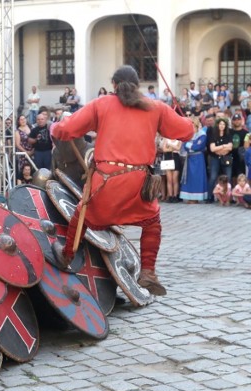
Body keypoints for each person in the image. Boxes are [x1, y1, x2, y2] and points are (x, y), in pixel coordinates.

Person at [50, 64, 193, 296]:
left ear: (114, 85)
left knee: (82, 214)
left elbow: (66, 130)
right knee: (152, 221)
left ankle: (67, 254)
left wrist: (55, 127)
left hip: (105, 182)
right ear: (136, 86)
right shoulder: (155, 107)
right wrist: (188, 120)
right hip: (138, 184)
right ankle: (148, 272)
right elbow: (185, 132)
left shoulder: (101, 104)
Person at [179, 118, 208, 203]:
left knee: (197, 178)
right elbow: (184, 145)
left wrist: (190, 145)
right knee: (189, 178)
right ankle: (189, 197)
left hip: (198, 159)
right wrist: (192, 146)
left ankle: (196, 198)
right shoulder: (188, 134)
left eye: (192, 126)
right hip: (190, 158)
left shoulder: (202, 134)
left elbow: (199, 146)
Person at [207, 117, 234, 203]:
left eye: (224, 124)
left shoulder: (228, 135)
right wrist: (223, 147)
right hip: (215, 158)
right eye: (220, 124)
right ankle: (209, 197)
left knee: (228, 177)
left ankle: (228, 196)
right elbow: (212, 149)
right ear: (217, 125)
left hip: (226, 158)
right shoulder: (213, 135)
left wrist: (219, 149)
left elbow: (230, 147)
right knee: (213, 177)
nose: (222, 126)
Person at [160, 137, 183, 203]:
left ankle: (175, 195)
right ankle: (170, 196)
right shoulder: (166, 139)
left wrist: (169, 145)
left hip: (176, 158)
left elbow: (178, 148)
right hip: (168, 158)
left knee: (175, 179)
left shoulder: (179, 139)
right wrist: (173, 148)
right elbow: (164, 149)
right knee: (169, 179)